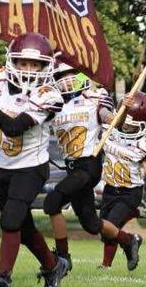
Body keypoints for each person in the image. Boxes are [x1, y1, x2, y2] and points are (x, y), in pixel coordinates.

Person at [0, 30, 71, 287]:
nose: (29, 70)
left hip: (31, 168)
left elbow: (13, 128)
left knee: (10, 220)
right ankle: (53, 265)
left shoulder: (48, 95)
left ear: (46, 67)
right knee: (23, 228)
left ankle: (3, 277)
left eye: (35, 64)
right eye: (23, 63)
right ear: (12, 61)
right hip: (4, 168)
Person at [42, 62, 113, 270]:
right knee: (91, 224)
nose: (66, 79)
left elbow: (109, 118)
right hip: (72, 168)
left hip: (89, 165)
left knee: (52, 203)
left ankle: (63, 257)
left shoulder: (92, 98)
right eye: (61, 75)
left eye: (72, 73)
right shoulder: (54, 106)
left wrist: (118, 116)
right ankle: (129, 240)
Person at [97, 92, 146, 271]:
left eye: (131, 127)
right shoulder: (109, 130)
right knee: (106, 230)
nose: (126, 129)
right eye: (125, 125)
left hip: (130, 191)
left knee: (110, 225)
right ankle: (114, 256)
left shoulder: (143, 143)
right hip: (110, 188)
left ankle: (127, 244)